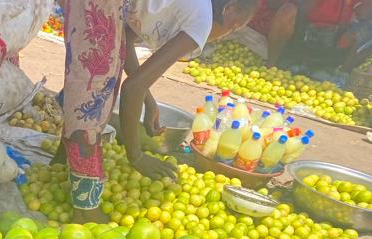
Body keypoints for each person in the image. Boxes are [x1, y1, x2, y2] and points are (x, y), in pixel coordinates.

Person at [59, 0, 257, 222]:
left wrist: (149, 100)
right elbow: (132, 88)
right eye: (234, 28)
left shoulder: (188, 9)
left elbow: (124, 40)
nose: (224, 37)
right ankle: (85, 212)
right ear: (229, 9)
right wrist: (136, 156)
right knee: (94, 88)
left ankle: (59, 163)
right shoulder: (201, 22)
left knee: (95, 81)